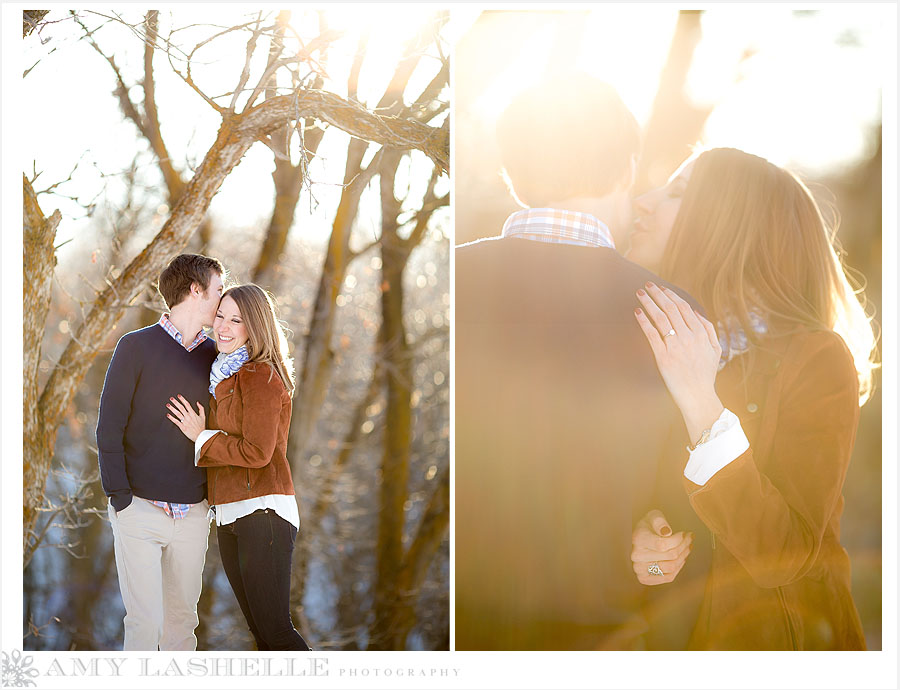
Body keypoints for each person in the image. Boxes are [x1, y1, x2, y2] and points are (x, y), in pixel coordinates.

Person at [454, 72, 702, 650]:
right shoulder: (672, 312)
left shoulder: (454, 280)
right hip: (595, 624)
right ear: (626, 169)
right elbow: (683, 496)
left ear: (513, 175)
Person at [626, 147, 877, 650]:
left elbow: (785, 554)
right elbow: (663, 559)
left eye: (676, 194)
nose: (644, 202)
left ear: (727, 227)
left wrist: (701, 401)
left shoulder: (816, 358)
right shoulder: (655, 347)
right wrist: (649, 555)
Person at [166, 283, 311, 651]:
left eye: (237, 320)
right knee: (262, 635)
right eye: (220, 316)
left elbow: (258, 452)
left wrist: (202, 437)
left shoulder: (259, 374)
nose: (224, 327)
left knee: (276, 631)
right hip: (231, 514)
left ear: (256, 327)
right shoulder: (222, 376)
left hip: (263, 511)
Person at [96, 253, 225, 651]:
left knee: (181, 624)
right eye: (218, 290)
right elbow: (109, 426)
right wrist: (121, 499)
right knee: (145, 622)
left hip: (193, 514)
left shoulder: (217, 357)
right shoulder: (135, 347)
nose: (224, 299)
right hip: (139, 510)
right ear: (195, 290)